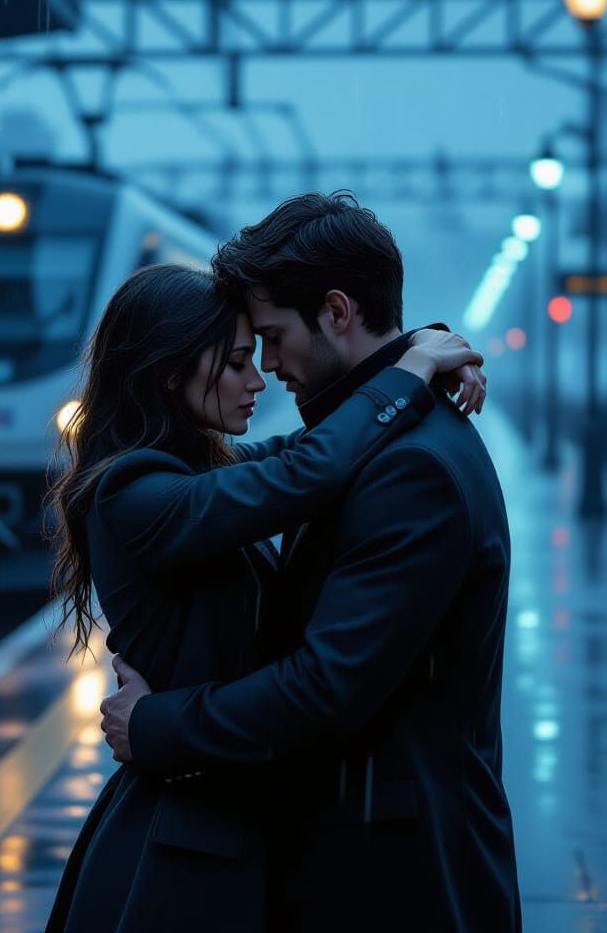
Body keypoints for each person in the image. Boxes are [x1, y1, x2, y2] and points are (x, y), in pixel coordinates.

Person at [101, 192, 522, 932]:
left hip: (398, 878)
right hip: (365, 858)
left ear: (336, 312)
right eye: (243, 356)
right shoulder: (381, 440)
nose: (267, 368)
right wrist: (412, 359)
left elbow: (326, 687)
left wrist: (156, 725)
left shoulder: (410, 468)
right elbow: (298, 465)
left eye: (270, 338)